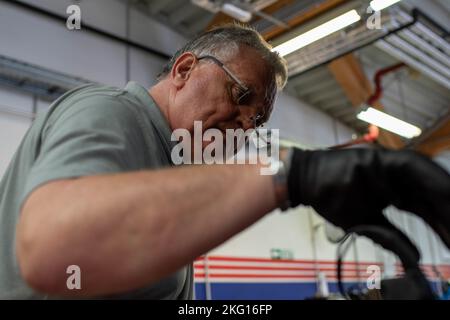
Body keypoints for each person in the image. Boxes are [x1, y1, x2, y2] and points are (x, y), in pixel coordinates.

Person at [0, 24, 449, 299]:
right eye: (240, 96)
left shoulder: (172, 168)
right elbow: (52, 250)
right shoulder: (111, 113)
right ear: (183, 70)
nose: (243, 124)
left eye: (256, 121)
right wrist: (292, 175)